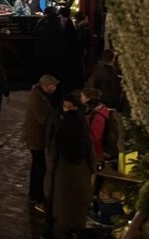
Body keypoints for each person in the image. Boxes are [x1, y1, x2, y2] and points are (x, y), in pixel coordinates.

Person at [44, 93, 95, 239]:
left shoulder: (61, 134)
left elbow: (52, 154)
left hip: (62, 178)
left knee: (62, 215)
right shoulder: (84, 133)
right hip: (81, 177)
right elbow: (91, 156)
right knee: (76, 215)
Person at [23, 75, 59, 211]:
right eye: (53, 86)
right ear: (45, 86)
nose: (55, 88)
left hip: (36, 137)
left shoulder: (40, 95)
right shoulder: (36, 98)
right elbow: (43, 118)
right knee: (39, 167)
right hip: (35, 137)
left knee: (38, 166)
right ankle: (37, 197)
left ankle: (34, 194)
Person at [81, 87, 110, 164]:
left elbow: (95, 137)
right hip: (90, 152)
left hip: (94, 154)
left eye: (82, 97)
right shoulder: (92, 112)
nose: (80, 99)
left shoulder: (98, 116)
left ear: (88, 99)